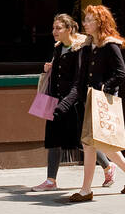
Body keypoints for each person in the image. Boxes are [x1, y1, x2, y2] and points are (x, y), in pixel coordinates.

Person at [29, 14, 114, 192]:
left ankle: (108, 166)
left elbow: (79, 80)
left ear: (69, 29)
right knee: (53, 139)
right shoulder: (58, 48)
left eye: (58, 28)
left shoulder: (80, 49)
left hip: (73, 102)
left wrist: (68, 101)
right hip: (55, 99)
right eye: (53, 28)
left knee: (81, 141)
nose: (54, 32)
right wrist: (49, 68)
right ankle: (51, 180)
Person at [68, 5, 125, 203]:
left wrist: (103, 88)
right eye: (85, 19)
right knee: (93, 144)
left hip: (101, 101)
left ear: (100, 22)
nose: (85, 23)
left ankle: (86, 190)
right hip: (89, 101)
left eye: (89, 20)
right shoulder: (88, 45)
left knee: (96, 144)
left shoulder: (110, 45)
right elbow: (82, 76)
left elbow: (121, 74)